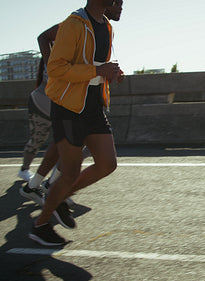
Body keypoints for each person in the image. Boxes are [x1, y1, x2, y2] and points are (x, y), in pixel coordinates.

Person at [29, 0, 124, 246]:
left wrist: (110, 72)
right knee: (69, 172)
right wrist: (97, 71)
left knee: (107, 164)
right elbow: (57, 67)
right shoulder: (73, 23)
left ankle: (59, 196)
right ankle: (41, 225)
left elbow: (95, 66)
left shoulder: (107, 26)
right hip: (69, 108)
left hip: (93, 106)